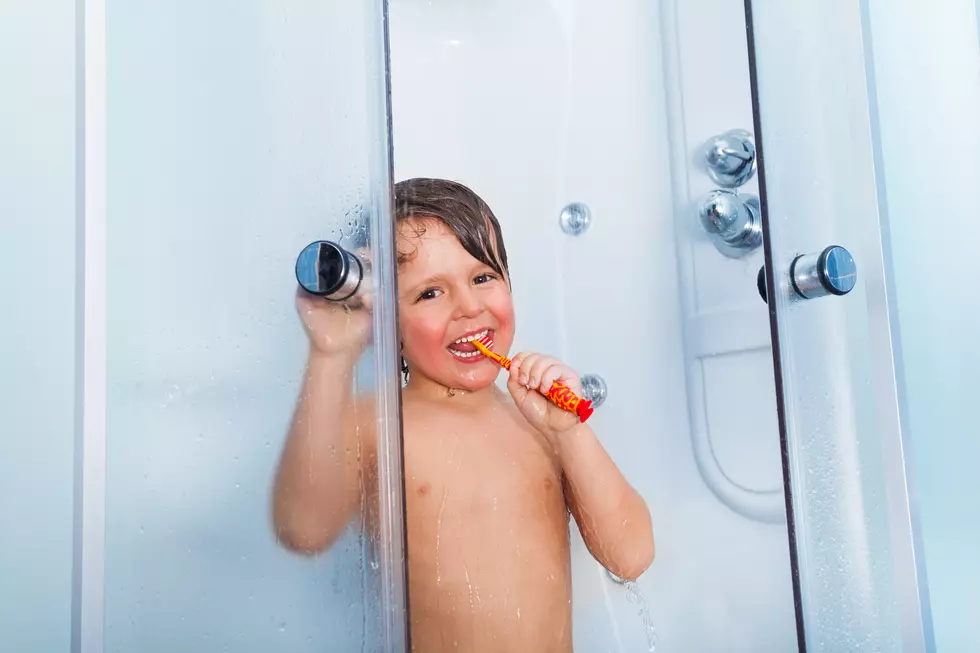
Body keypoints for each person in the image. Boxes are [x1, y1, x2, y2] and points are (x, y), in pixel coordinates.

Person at [273, 178, 654, 652]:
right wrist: (332, 356)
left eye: (482, 278)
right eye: (430, 293)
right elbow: (303, 530)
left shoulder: (539, 419)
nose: (469, 307)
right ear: (385, 321)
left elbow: (631, 555)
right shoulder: (377, 425)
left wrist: (571, 431)